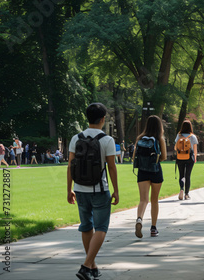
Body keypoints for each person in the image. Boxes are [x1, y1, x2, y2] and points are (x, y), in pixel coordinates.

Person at [67, 103, 119, 280]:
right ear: (103, 119)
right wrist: (116, 191)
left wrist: (69, 190)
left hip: (80, 189)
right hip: (99, 189)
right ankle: (86, 266)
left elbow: (70, 167)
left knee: (86, 226)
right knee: (101, 227)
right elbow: (111, 167)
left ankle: (93, 266)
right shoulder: (107, 140)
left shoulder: (76, 138)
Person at [133, 115, 167, 239]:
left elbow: (134, 157)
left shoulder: (140, 138)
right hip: (155, 170)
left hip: (142, 171)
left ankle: (139, 219)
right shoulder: (159, 139)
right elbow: (163, 157)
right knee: (154, 200)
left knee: (143, 199)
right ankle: (153, 228)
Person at [175, 120, 198, 200]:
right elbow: (195, 149)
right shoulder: (193, 136)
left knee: (181, 174)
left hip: (180, 157)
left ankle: (181, 188)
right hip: (189, 157)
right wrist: (195, 157)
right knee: (188, 175)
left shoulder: (179, 136)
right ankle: (187, 194)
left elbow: (175, 148)